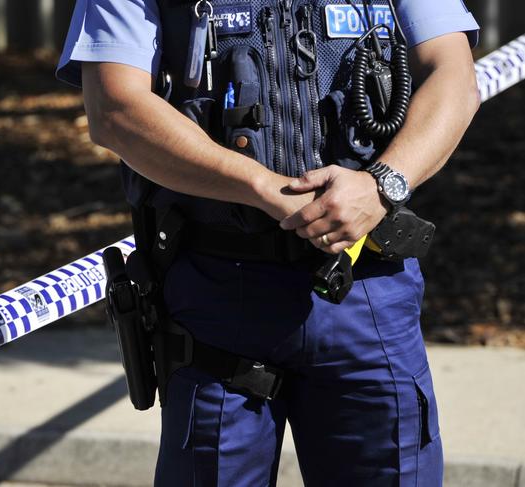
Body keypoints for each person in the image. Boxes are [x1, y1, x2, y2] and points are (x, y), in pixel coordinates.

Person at [57, 0, 479, 485]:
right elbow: (114, 108)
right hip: (216, 298)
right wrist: (261, 188)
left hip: (366, 288)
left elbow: (453, 72)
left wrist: (384, 184)